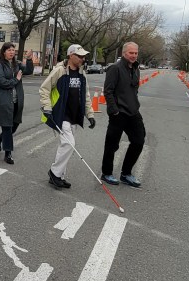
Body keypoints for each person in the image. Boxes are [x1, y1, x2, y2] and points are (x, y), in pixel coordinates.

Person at [39, 44, 95, 189]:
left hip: (74, 115)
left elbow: (86, 95)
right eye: (80, 56)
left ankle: (59, 176)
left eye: (84, 56)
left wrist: (90, 114)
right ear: (71, 55)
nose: (83, 59)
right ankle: (54, 173)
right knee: (69, 144)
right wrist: (47, 107)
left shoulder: (82, 74)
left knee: (65, 145)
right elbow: (44, 89)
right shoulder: (59, 71)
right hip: (60, 114)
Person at [100, 42, 145, 188]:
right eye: (131, 53)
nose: (133, 55)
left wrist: (135, 105)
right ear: (124, 53)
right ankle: (106, 173)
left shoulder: (136, 68)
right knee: (112, 145)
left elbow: (134, 90)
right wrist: (114, 111)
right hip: (118, 113)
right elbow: (108, 91)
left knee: (138, 141)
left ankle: (126, 173)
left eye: (136, 53)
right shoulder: (115, 68)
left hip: (133, 112)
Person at [0, 42, 32, 165]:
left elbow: (29, 71)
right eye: (9, 50)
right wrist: (16, 79)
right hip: (5, 102)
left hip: (17, 101)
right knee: (7, 127)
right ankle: (8, 153)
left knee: (14, 126)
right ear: (4, 52)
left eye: (13, 50)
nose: (11, 52)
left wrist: (29, 59)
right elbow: (2, 83)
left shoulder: (17, 65)